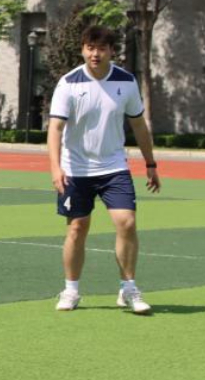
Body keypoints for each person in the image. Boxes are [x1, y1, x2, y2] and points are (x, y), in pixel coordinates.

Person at [46, 25, 161, 314]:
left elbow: (138, 125)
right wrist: (55, 168)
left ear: (111, 51)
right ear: (83, 49)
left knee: (127, 223)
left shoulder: (126, 81)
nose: (95, 54)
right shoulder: (68, 83)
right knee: (77, 228)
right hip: (75, 169)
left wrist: (150, 163)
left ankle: (129, 289)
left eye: (101, 48)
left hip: (114, 168)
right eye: (89, 48)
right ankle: (71, 290)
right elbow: (55, 129)